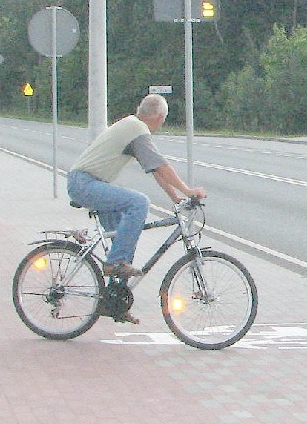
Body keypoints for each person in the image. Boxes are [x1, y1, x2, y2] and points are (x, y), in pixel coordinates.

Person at [67, 94, 207, 286]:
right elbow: (162, 166)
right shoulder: (137, 129)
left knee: (124, 238)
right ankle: (115, 262)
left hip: (87, 183)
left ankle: (116, 298)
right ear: (159, 118)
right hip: (85, 184)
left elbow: (156, 170)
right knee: (139, 202)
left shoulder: (132, 125)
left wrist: (175, 197)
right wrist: (188, 190)